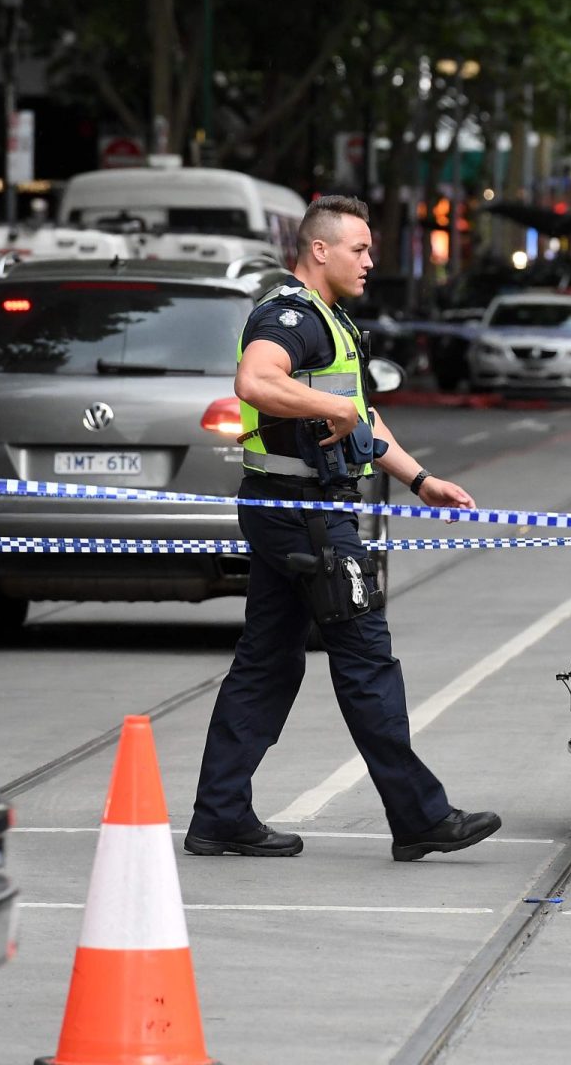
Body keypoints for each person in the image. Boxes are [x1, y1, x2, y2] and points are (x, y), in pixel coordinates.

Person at [187, 195, 500, 862]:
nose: (369, 261)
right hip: (307, 514)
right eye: (359, 249)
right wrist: (328, 403)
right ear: (318, 250)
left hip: (291, 509)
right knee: (366, 660)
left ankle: (219, 814)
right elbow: (255, 379)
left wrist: (421, 480)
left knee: (268, 663)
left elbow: (360, 417)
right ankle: (420, 816)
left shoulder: (332, 322)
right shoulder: (291, 316)